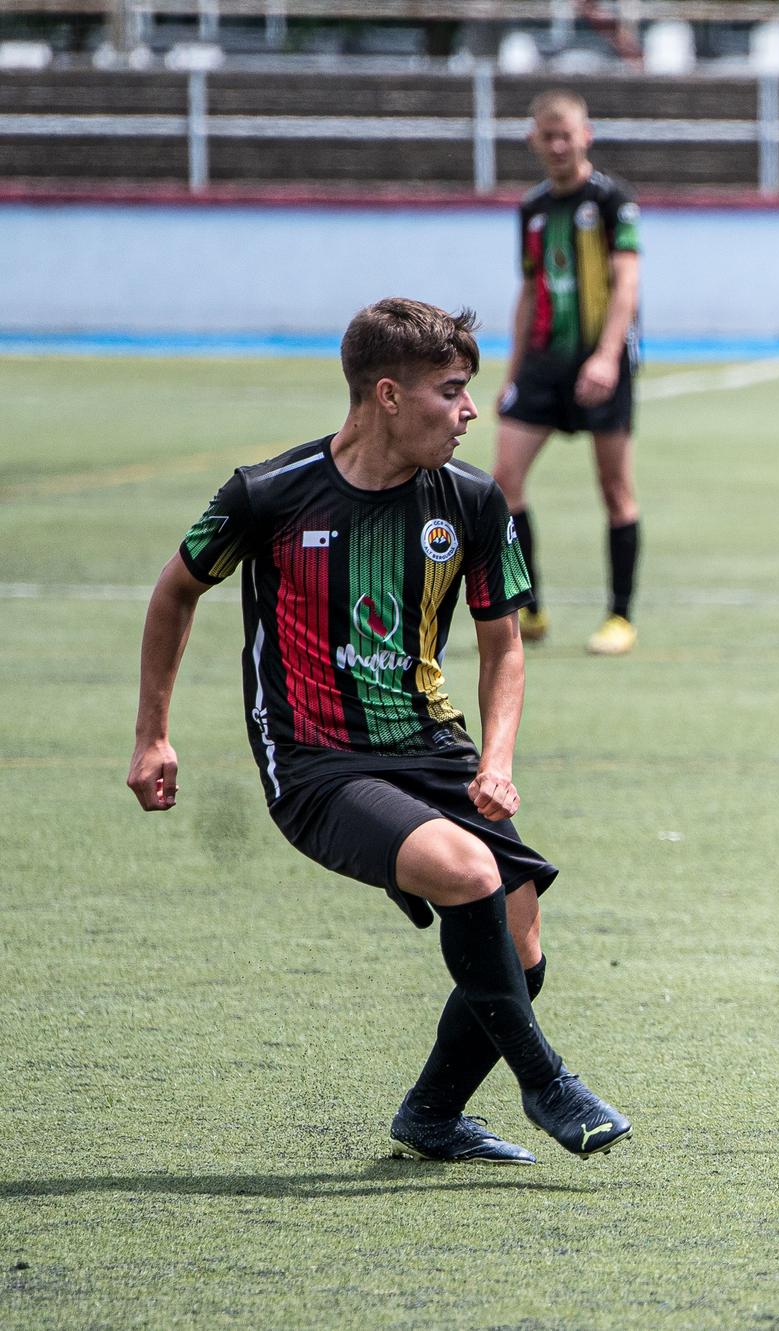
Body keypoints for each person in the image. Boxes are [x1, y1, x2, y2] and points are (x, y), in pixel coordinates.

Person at [128, 297, 631, 1165]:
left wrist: (498, 760)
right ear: (388, 395)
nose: (472, 410)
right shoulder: (268, 493)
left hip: (434, 749)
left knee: (520, 935)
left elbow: (503, 645)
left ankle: (432, 1115)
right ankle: (549, 1082)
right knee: (471, 874)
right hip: (315, 762)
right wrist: (152, 734)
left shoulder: (473, 502)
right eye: (453, 391)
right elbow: (176, 589)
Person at [494, 88, 645, 657]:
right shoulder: (532, 209)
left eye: (567, 136)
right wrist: (512, 372)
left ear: (587, 136)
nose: (557, 146)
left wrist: (606, 356)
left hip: (602, 365)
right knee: (503, 481)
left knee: (615, 489)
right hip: (542, 366)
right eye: (547, 137)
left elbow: (627, 283)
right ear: (534, 141)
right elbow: (530, 290)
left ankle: (619, 616)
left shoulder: (611, 202)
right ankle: (528, 606)